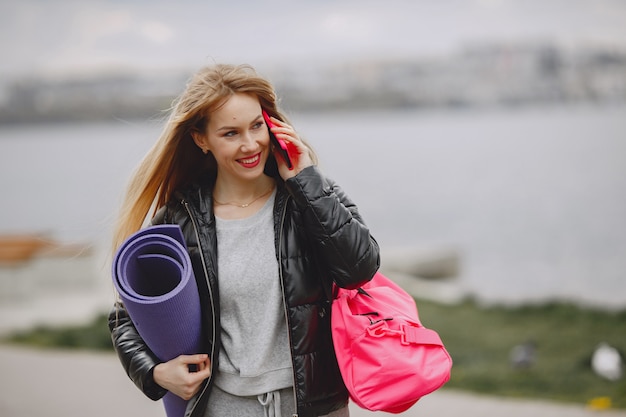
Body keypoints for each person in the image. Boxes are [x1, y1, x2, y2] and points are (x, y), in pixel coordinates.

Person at [108, 63, 380, 417]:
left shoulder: (310, 197)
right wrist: (156, 374)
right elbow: (124, 315)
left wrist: (306, 180)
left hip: (315, 407)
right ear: (200, 139)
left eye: (256, 126)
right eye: (230, 133)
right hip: (221, 407)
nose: (250, 144)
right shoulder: (181, 217)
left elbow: (360, 268)